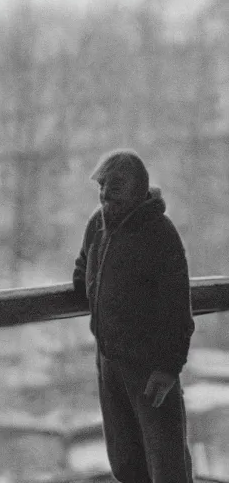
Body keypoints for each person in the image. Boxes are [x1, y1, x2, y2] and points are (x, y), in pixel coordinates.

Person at [73, 149, 195, 483]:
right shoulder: (97, 224)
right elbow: (84, 264)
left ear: (137, 192)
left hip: (150, 367)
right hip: (110, 360)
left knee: (166, 463)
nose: (104, 197)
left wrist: (169, 367)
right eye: (102, 187)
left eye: (113, 190)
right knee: (125, 461)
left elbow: (176, 308)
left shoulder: (160, 234)